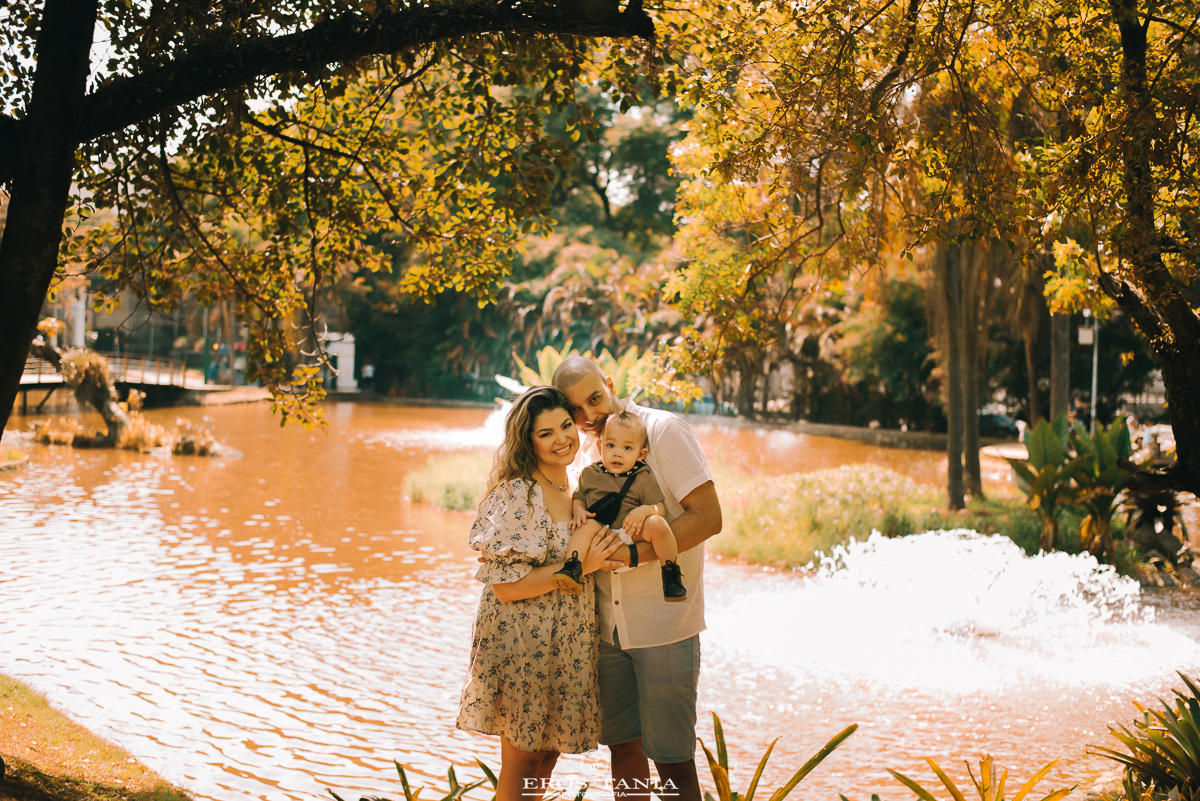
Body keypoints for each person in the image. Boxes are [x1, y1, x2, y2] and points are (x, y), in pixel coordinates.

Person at [552, 356, 722, 801]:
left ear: (609, 383)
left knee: (672, 761)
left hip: (663, 623)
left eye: (594, 398)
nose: (588, 417)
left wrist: (634, 555)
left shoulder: (663, 431)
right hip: (607, 626)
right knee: (623, 748)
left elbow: (708, 517)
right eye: (575, 411)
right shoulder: (585, 453)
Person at [456, 386, 624, 801]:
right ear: (527, 441)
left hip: (566, 642)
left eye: (566, 425)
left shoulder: (579, 487)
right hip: (523, 641)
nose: (562, 438)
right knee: (522, 764)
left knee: (546, 761)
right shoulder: (518, 494)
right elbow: (506, 588)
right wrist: (581, 567)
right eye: (545, 433)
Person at [555, 410, 686, 602]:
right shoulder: (590, 473)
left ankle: (671, 574)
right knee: (585, 525)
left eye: (627, 448)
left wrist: (644, 511)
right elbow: (579, 498)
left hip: (630, 531)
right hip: (599, 531)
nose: (617, 452)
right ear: (600, 447)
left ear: (641, 454)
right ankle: (572, 567)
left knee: (658, 524)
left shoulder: (641, 476)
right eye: (610, 445)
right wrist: (579, 512)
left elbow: (659, 508)